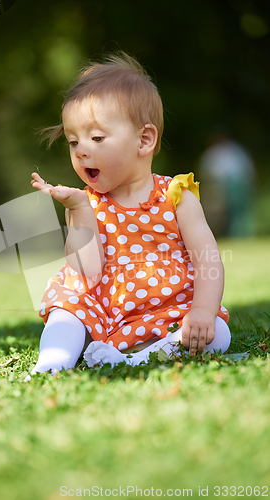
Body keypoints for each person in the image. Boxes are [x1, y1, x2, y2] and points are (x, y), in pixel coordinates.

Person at [27, 53, 230, 377]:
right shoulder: (86, 203)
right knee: (66, 308)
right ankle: (51, 364)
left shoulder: (176, 196)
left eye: (96, 138)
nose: (81, 150)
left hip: (168, 308)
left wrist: (203, 311)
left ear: (144, 140)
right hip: (103, 311)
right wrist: (78, 211)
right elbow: (86, 271)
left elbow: (207, 260)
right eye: (73, 141)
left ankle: (136, 359)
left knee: (218, 333)